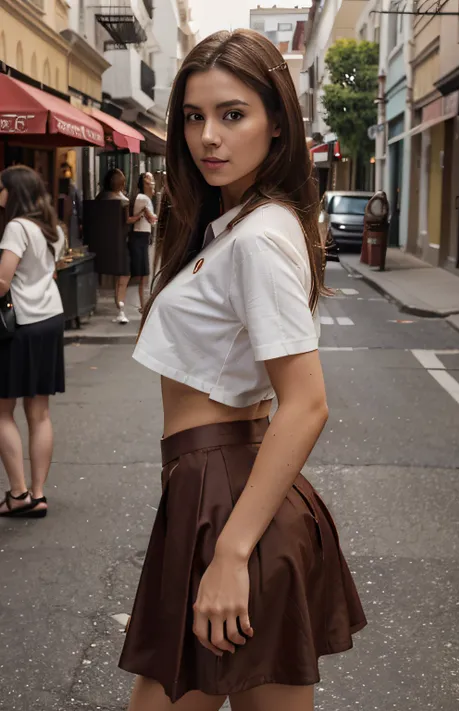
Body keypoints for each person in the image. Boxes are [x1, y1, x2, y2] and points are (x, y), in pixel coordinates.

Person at [119, 29, 367, 711]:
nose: (208, 137)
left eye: (233, 114)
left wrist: (230, 551)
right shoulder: (234, 224)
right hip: (210, 495)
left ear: (277, 124)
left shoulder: (258, 237)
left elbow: (306, 402)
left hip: (230, 505)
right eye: (194, 117)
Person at [0, 165, 66, 518]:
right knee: (39, 412)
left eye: (1, 188)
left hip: (20, 325)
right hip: (50, 318)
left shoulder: (16, 227)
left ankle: (18, 493)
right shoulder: (52, 228)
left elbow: (2, 280)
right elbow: (50, 272)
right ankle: (38, 494)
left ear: (14, 191)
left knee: (2, 410)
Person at [95, 169, 143, 324]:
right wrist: (139, 216)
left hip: (103, 241)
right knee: (124, 274)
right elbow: (127, 220)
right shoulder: (122, 200)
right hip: (121, 240)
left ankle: (118, 304)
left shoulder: (100, 197)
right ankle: (120, 306)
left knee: (116, 274)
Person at [130, 172, 158, 312]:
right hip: (139, 236)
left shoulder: (147, 199)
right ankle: (143, 304)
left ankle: (144, 304)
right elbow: (152, 219)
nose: (152, 181)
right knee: (143, 273)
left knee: (144, 273)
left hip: (143, 236)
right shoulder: (143, 199)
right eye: (149, 179)